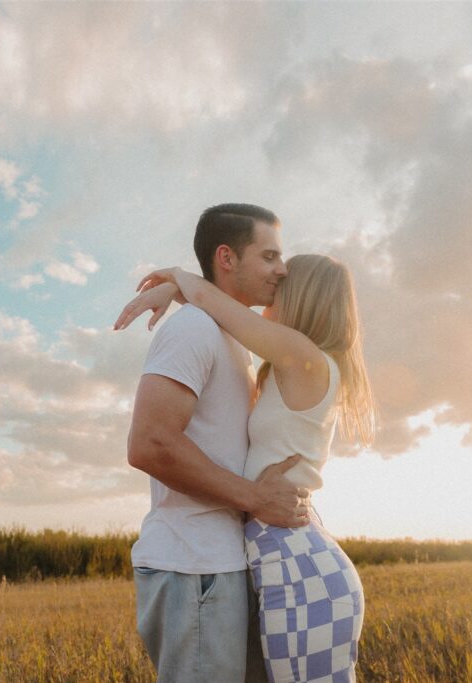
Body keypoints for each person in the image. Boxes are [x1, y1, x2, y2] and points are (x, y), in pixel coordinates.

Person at [116, 253, 376, 683]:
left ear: (301, 297)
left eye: (281, 283)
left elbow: (217, 305)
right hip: (283, 553)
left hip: (298, 564)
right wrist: (177, 291)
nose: (271, 287)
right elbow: (217, 308)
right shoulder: (288, 365)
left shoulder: (302, 355)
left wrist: (177, 278)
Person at [120, 204, 313, 682]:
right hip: (194, 568)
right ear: (227, 258)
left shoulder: (227, 335)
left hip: (219, 565)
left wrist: (179, 286)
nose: (281, 270)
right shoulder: (192, 330)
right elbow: (149, 444)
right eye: (268, 256)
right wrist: (255, 497)